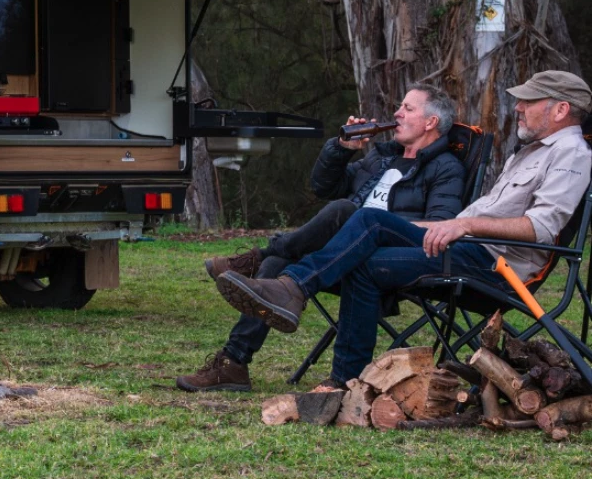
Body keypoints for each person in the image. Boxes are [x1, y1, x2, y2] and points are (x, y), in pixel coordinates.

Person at [214, 70, 592, 389]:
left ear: (560, 109)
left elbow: (542, 227)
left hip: (494, 266)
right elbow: (327, 187)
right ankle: (341, 376)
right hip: (468, 246)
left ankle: (298, 299)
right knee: (364, 236)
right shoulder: (530, 151)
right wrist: (443, 225)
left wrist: (463, 223)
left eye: (529, 101)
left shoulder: (572, 153)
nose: (519, 107)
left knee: (365, 224)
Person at [177, 84, 465, 392]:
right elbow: (324, 187)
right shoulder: (382, 158)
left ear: (430, 122)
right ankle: (233, 363)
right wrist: (341, 149)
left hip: (387, 261)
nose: (397, 113)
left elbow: (440, 227)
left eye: (408, 108)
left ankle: (258, 257)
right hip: (339, 255)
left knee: (347, 212)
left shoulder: (446, 167)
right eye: (400, 106)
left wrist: (374, 225)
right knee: (278, 262)